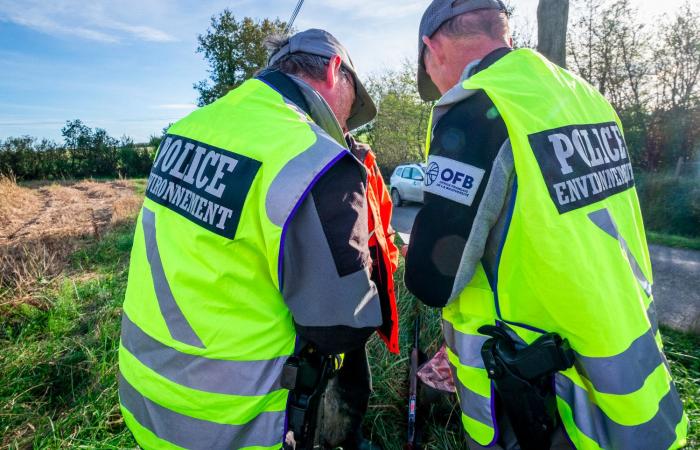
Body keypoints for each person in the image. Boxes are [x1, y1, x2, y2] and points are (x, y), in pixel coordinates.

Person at [405, 1, 688, 449]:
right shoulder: (584, 96)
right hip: (626, 364)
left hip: (536, 388)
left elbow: (432, 279)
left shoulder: (478, 105)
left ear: (432, 47)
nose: (439, 87)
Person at [118, 28, 391, 450]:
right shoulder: (314, 157)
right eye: (348, 111)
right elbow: (342, 329)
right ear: (336, 70)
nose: (342, 128)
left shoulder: (186, 129)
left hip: (144, 400)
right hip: (230, 426)